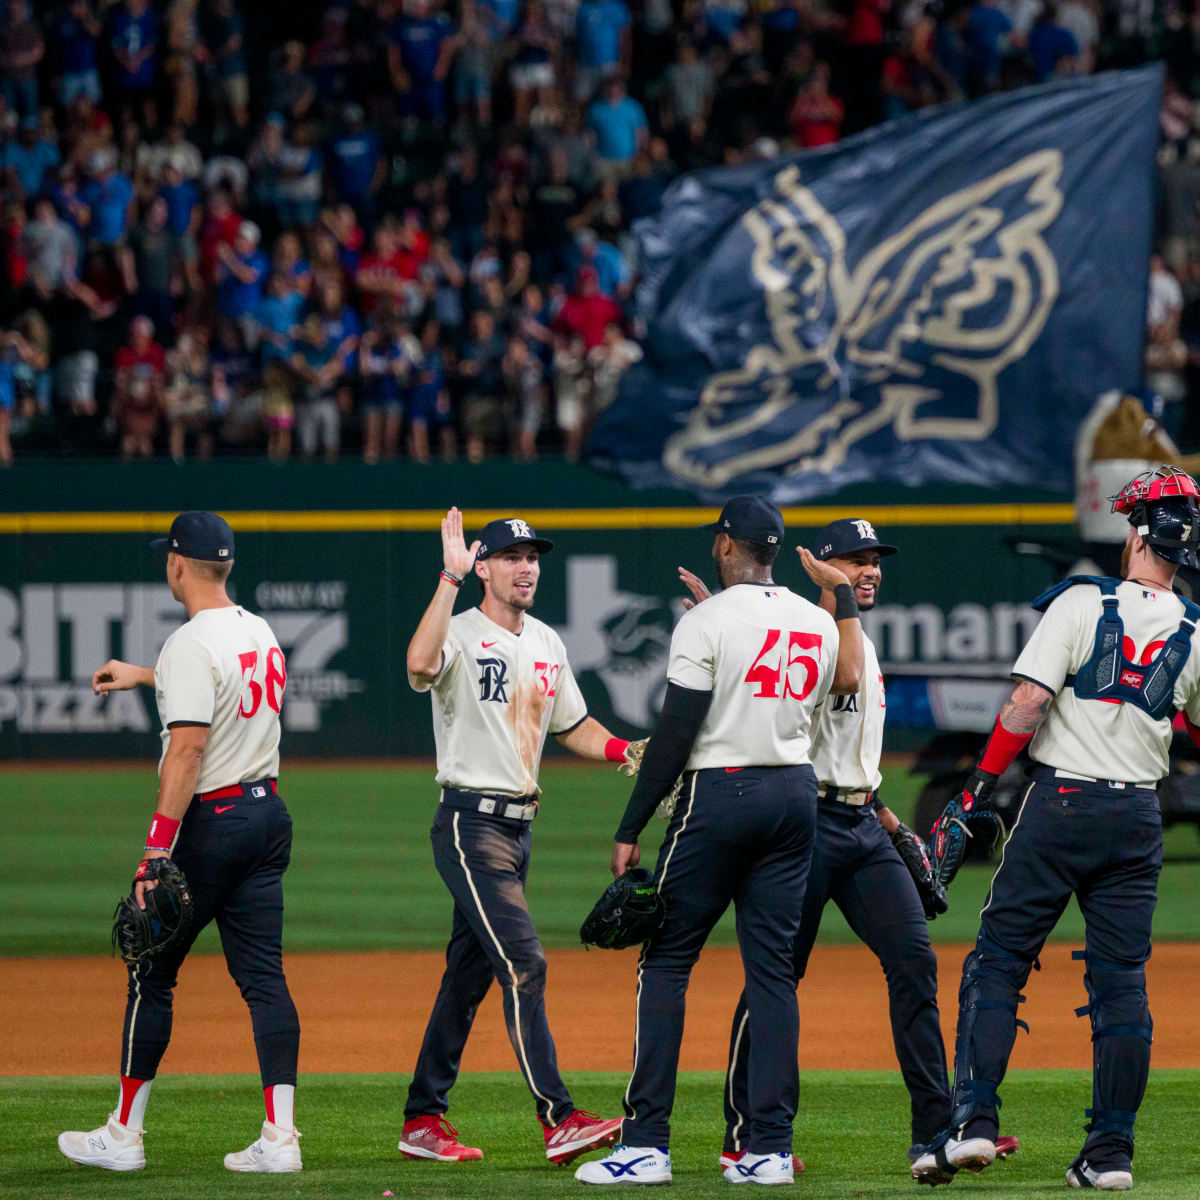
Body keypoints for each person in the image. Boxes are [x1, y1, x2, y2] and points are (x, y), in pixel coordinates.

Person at [682, 519, 1021, 1179]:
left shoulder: (856, 639)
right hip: (800, 825)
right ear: (822, 567)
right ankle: (744, 1134)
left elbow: (853, 760)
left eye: (875, 561)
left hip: (863, 826)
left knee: (915, 964)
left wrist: (895, 827)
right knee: (776, 978)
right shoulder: (802, 632)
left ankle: (935, 1135)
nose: (870, 571)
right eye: (855, 560)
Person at [911, 466, 1200, 1191]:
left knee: (998, 962)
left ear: (1135, 533)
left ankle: (973, 1122)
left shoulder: (1081, 602)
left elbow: (1027, 702)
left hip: (1061, 804)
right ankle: (1110, 1154)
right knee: (1122, 984)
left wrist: (977, 787)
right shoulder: (1195, 631)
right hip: (1138, 816)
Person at [578, 496, 846, 1187]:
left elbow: (676, 732)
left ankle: (645, 1144)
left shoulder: (705, 621)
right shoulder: (816, 619)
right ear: (776, 551)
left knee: (664, 963)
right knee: (772, 974)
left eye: (718, 541)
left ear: (728, 545)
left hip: (720, 794)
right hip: (795, 793)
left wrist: (631, 825)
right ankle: (768, 1151)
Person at [57, 511, 302, 1174]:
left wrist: (156, 850)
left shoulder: (190, 643)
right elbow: (227, 689)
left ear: (177, 565)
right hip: (267, 816)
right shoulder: (258, 629)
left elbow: (189, 748)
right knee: (263, 978)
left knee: (151, 969)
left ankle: (123, 1135)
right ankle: (281, 1139)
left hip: (213, 824)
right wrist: (143, 674)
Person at [401, 508, 631, 1166]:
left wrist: (623, 749)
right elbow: (419, 665)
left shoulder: (548, 642)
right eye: (511, 555)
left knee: (466, 979)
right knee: (524, 963)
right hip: (470, 826)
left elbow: (575, 726)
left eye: (533, 556)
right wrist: (446, 578)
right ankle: (558, 1117)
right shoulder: (461, 632)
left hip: (519, 829)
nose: (527, 565)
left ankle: (422, 1118)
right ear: (483, 568)